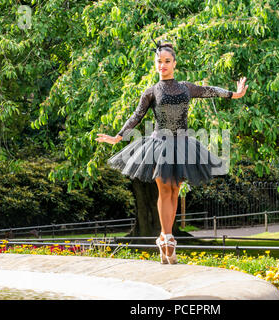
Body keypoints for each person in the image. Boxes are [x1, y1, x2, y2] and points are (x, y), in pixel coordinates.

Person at [95, 40, 248, 264]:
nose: (163, 65)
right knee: (164, 188)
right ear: (155, 64)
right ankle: (167, 239)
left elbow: (210, 91)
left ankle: (164, 238)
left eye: (167, 61)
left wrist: (234, 94)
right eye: (159, 61)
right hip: (160, 144)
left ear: (174, 63)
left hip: (183, 144)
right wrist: (118, 136)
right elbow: (136, 116)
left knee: (175, 190)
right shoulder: (151, 92)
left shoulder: (186, 87)